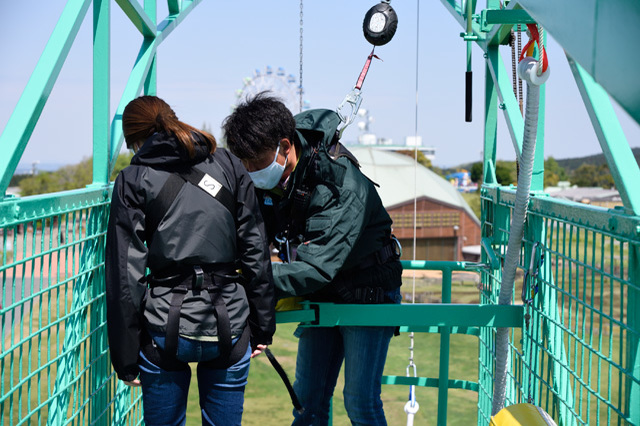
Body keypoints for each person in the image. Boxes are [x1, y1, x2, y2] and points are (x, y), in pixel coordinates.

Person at [222, 93, 402, 426]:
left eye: (256, 163)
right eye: (243, 165)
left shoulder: (342, 185)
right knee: (308, 401)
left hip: (368, 291)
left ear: (285, 146)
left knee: (360, 402)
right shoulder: (274, 178)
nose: (250, 173)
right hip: (322, 292)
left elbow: (317, 267)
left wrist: (249, 279)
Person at [105, 95, 275, 426]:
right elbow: (256, 249)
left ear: (135, 139)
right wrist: (262, 328)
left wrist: (126, 358)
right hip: (231, 320)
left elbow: (126, 276)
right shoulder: (228, 164)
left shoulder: (133, 179)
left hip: (164, 326)